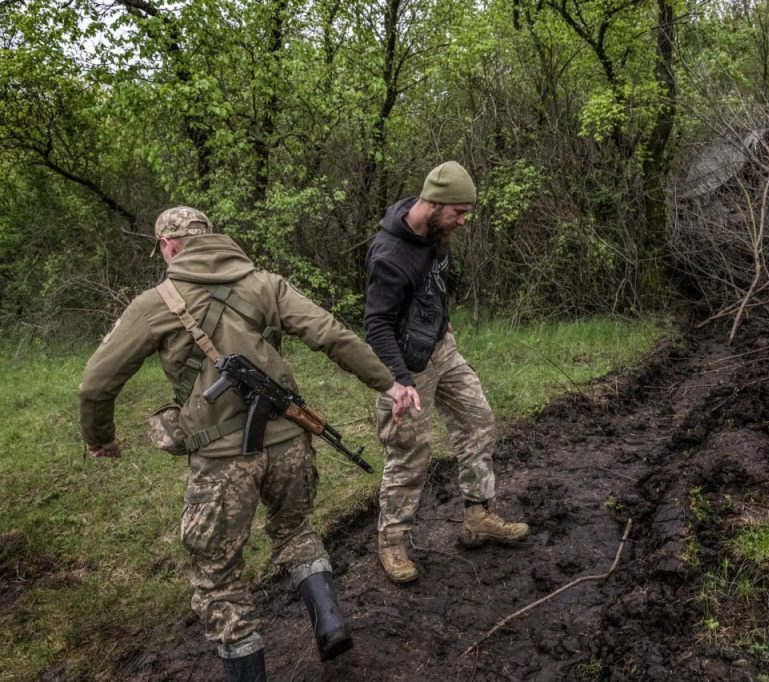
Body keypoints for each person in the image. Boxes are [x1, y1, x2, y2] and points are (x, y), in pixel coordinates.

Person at [79, 207, 413, 681]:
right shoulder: (265, 284)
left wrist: (101, 439)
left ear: (169, 246)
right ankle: (330, 624)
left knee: (217, 574)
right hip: (290, 443)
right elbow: (331, 334)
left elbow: (95, 386)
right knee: (295, 529)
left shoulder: (155, 302)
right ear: (210, 239)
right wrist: (388, 383)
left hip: (221, 461)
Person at [364, 161, 529, 584]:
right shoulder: (389, 256)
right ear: (433, 203)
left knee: (479, 422)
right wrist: (400, 379)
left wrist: (443, 318)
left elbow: (435, 282)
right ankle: (393, 542)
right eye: (458, 212)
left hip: (441, 349)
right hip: (403, 367)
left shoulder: (435, 232)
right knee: (408, 454)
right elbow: (376, 325)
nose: (462, 221)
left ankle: (478, 516)